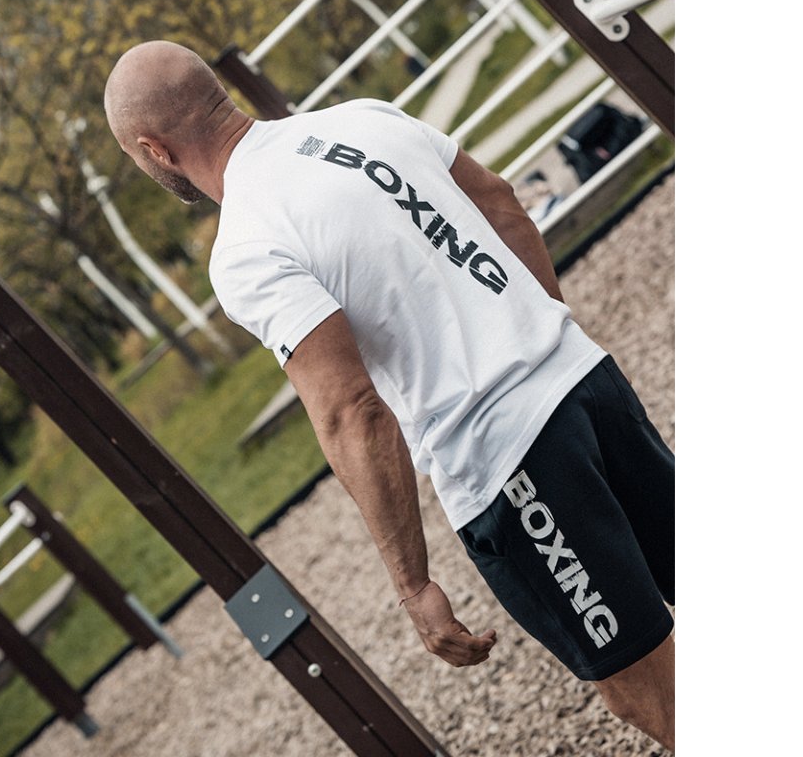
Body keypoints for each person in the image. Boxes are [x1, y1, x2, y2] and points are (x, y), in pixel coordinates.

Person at [103, 40, 674, 751]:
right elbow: (502, 203)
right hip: (585, 380)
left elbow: (351, 410)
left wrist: (412, 584)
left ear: (154, 150)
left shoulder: (246, 243)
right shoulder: (362, 117)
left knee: (644, 684)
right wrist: (541, 332)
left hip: (507, 460)